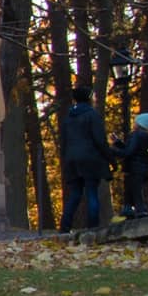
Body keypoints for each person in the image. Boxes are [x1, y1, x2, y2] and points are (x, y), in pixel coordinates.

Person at [54, 85, 109, 230]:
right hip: (90, 158)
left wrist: (66, 160)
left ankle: (65, 227)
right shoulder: (92, 115)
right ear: (89, 98)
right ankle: (93, 227)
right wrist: (109, 158)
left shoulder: (68, 118)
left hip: (72, 159)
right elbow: (99, 140)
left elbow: (64, 141)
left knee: (75, 194)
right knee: (91, 192)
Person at [121, 110, 148, 222]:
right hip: (143, 167)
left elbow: (129, 151)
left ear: (140, 124)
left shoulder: (136, 136)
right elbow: (134, 149)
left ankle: (140, 210)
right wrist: (119, 143)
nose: (134, 123)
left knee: (135, 190)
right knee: (131, 189)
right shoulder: (146, 137)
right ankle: (128, 209)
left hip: (135, 167)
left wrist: (113, 151)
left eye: (135, 122)